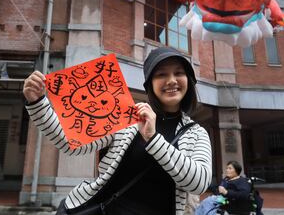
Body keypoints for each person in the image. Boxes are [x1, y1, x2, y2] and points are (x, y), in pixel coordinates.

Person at [23, 46, 212, 215]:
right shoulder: (128, 117)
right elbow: (70, 143)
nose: (171, 80)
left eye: (178, 73)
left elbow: (198, 183)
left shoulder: (196, 133)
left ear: (189, 80)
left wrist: (153, 139)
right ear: (150, 84)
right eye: (161, 74)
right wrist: (38, 103)